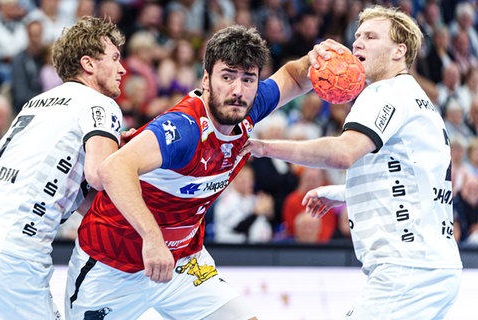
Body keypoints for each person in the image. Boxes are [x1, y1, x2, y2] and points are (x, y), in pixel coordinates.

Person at [65, 24, 334, 320]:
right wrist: (153, 240)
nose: (237, 90)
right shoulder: (184, 128)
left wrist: (319, 57)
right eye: (227, 77)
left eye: (248, 79)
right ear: (206, 80)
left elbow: (294, 76)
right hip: (113, 266)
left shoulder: (249, 107)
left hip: (183, 264)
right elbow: (113, 168)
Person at [241, 5, 462, 319]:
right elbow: (415, 178)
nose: (358, 43)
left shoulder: (383, 93)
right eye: (357, 35)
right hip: (435, 268)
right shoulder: (418, 100)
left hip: (405, 268)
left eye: (371, 37)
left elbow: (343, 153)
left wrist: (263, 146)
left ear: (400, 51)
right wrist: (346, 193)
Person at [0, 16, 127, 320]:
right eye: (115, 58)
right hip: (10, 251)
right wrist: (127, 160)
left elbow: (74, 193)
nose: (122, 68)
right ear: (88, 63)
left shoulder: (37, 102)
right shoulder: (99, 104)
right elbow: (100, 174)